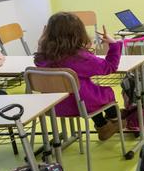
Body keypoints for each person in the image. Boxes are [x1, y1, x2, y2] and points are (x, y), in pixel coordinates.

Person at [33, 12, 121, 140]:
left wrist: (42, 42)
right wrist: (114, 44)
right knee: (104, 92)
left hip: (53, 106)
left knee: (86, 90)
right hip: (80, 106)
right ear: (79, 33)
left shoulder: (41, 58)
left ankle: (105, 124)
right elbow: (109, 67)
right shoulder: (81, 58)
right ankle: (112, 121)